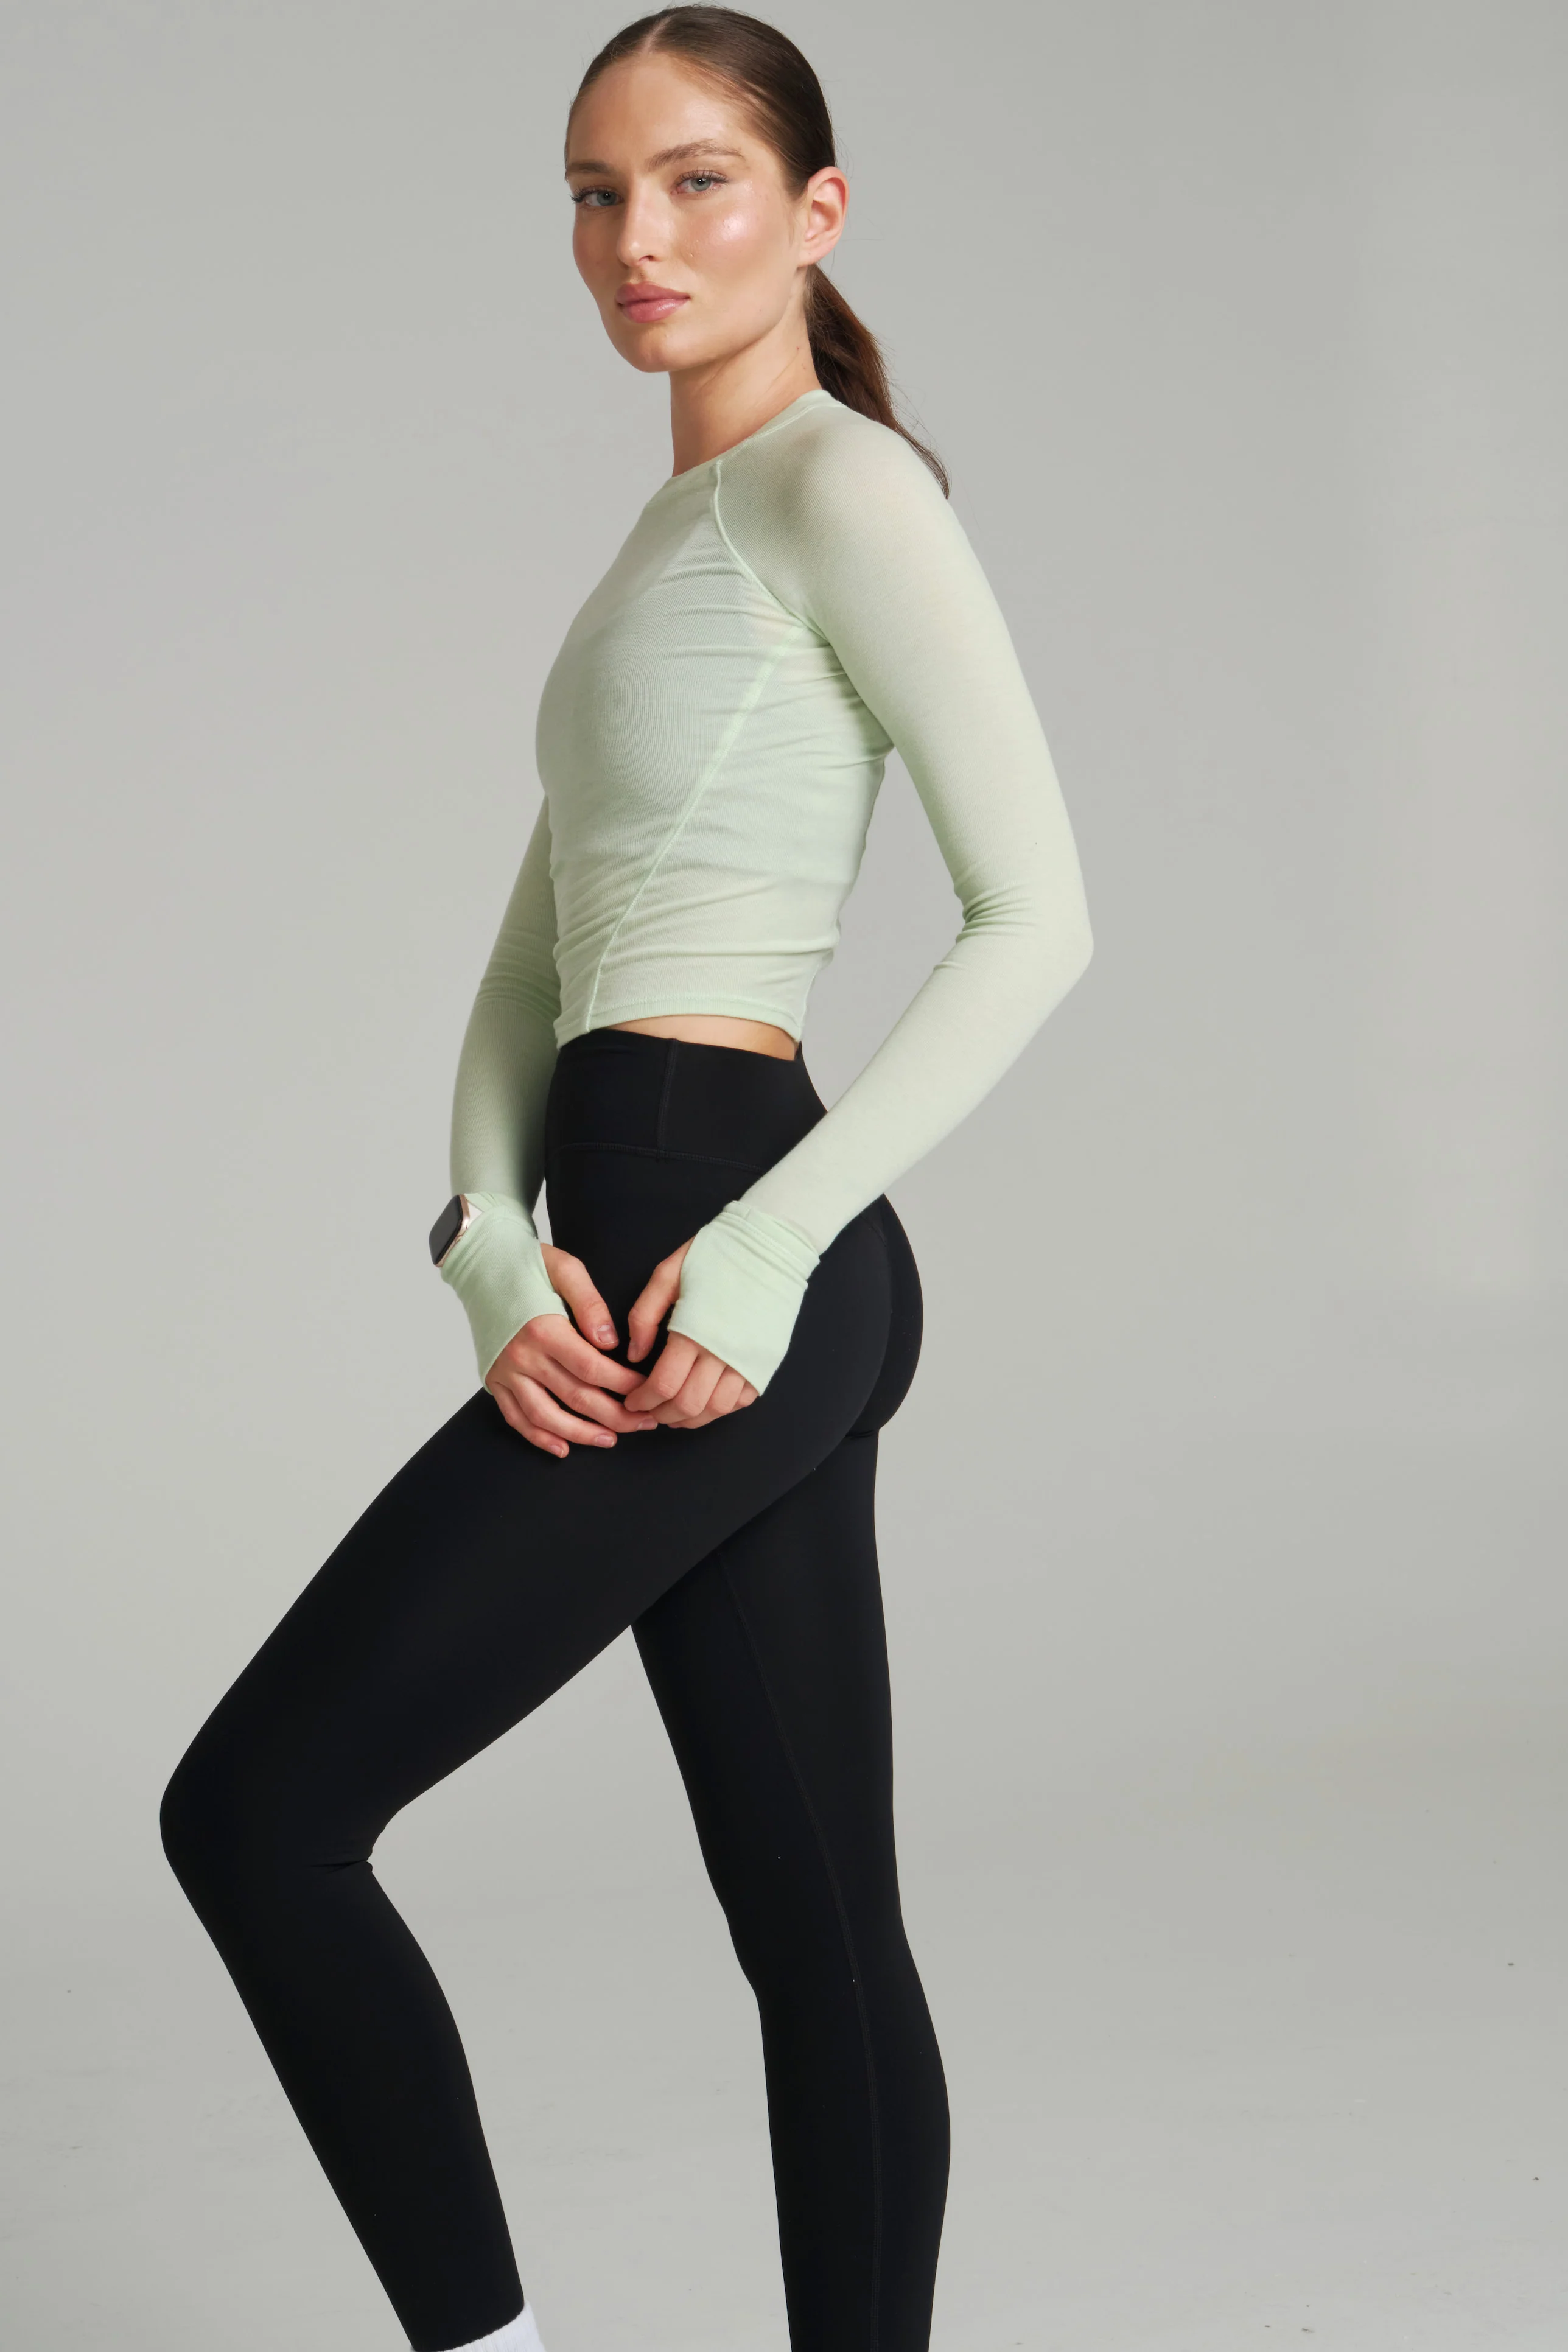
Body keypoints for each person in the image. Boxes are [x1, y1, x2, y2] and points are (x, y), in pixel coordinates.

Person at [158, 9, 1094, 2350]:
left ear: (816, 212)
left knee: (256, 1816)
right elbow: (534, 959)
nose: (635, 238)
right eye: (596, 191)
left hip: (735, 1238)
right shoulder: (666, 537)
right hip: (632, 1235)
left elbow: (1039, 917)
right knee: (821, 1932)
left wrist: (765, 1248)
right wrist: (487, 1244)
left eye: (695, 181)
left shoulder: (843, 489)